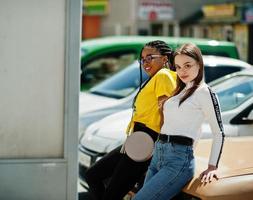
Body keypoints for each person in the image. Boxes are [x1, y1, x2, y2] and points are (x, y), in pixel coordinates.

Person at [84, 40, 177, 200]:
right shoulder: (155, 77)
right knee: (93, 175)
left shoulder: (163, 75)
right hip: (136, 141)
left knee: (109, 192)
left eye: (150, 57)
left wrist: (158, 147)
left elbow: (167, 113)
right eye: (142, 59)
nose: (145, 62)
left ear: (165, 58)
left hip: (146, 143)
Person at [133, 43, 225, 200]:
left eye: (188, 65)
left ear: (199, 64)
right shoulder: (179, 90)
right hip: (159, 153)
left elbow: (219, 132)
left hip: (178, 160)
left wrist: (212, 166)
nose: (182, 71)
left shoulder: (204, 92)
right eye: (179, 66)